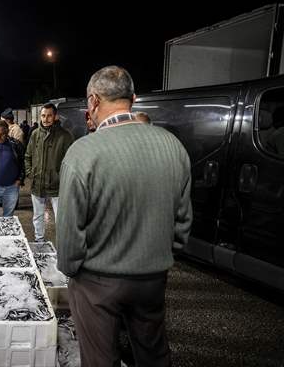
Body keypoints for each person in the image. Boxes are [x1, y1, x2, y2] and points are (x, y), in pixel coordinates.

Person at [57, 66, 192, 367]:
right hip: (153, 278)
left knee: (101, 358)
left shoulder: (83, 153)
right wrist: (159, 257)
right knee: (154, 354)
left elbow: (69, 232)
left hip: (96, 281)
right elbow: (182, 224)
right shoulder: (172, 146)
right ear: (133, 98)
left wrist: (72, 270)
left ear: (92, 101)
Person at [25, 103, 73, 242]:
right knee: (38, 216)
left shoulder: (65, 136)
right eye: (43, 115)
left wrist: (62, 178)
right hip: (38, 184)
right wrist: (31, 174)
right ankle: (39, 241)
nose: (45, 119)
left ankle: (63, 246)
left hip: (57, 186)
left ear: (55, 116)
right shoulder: (35, 134)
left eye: (49, 115)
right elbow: (28, 156)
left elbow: (71, 161)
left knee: (61, 219)